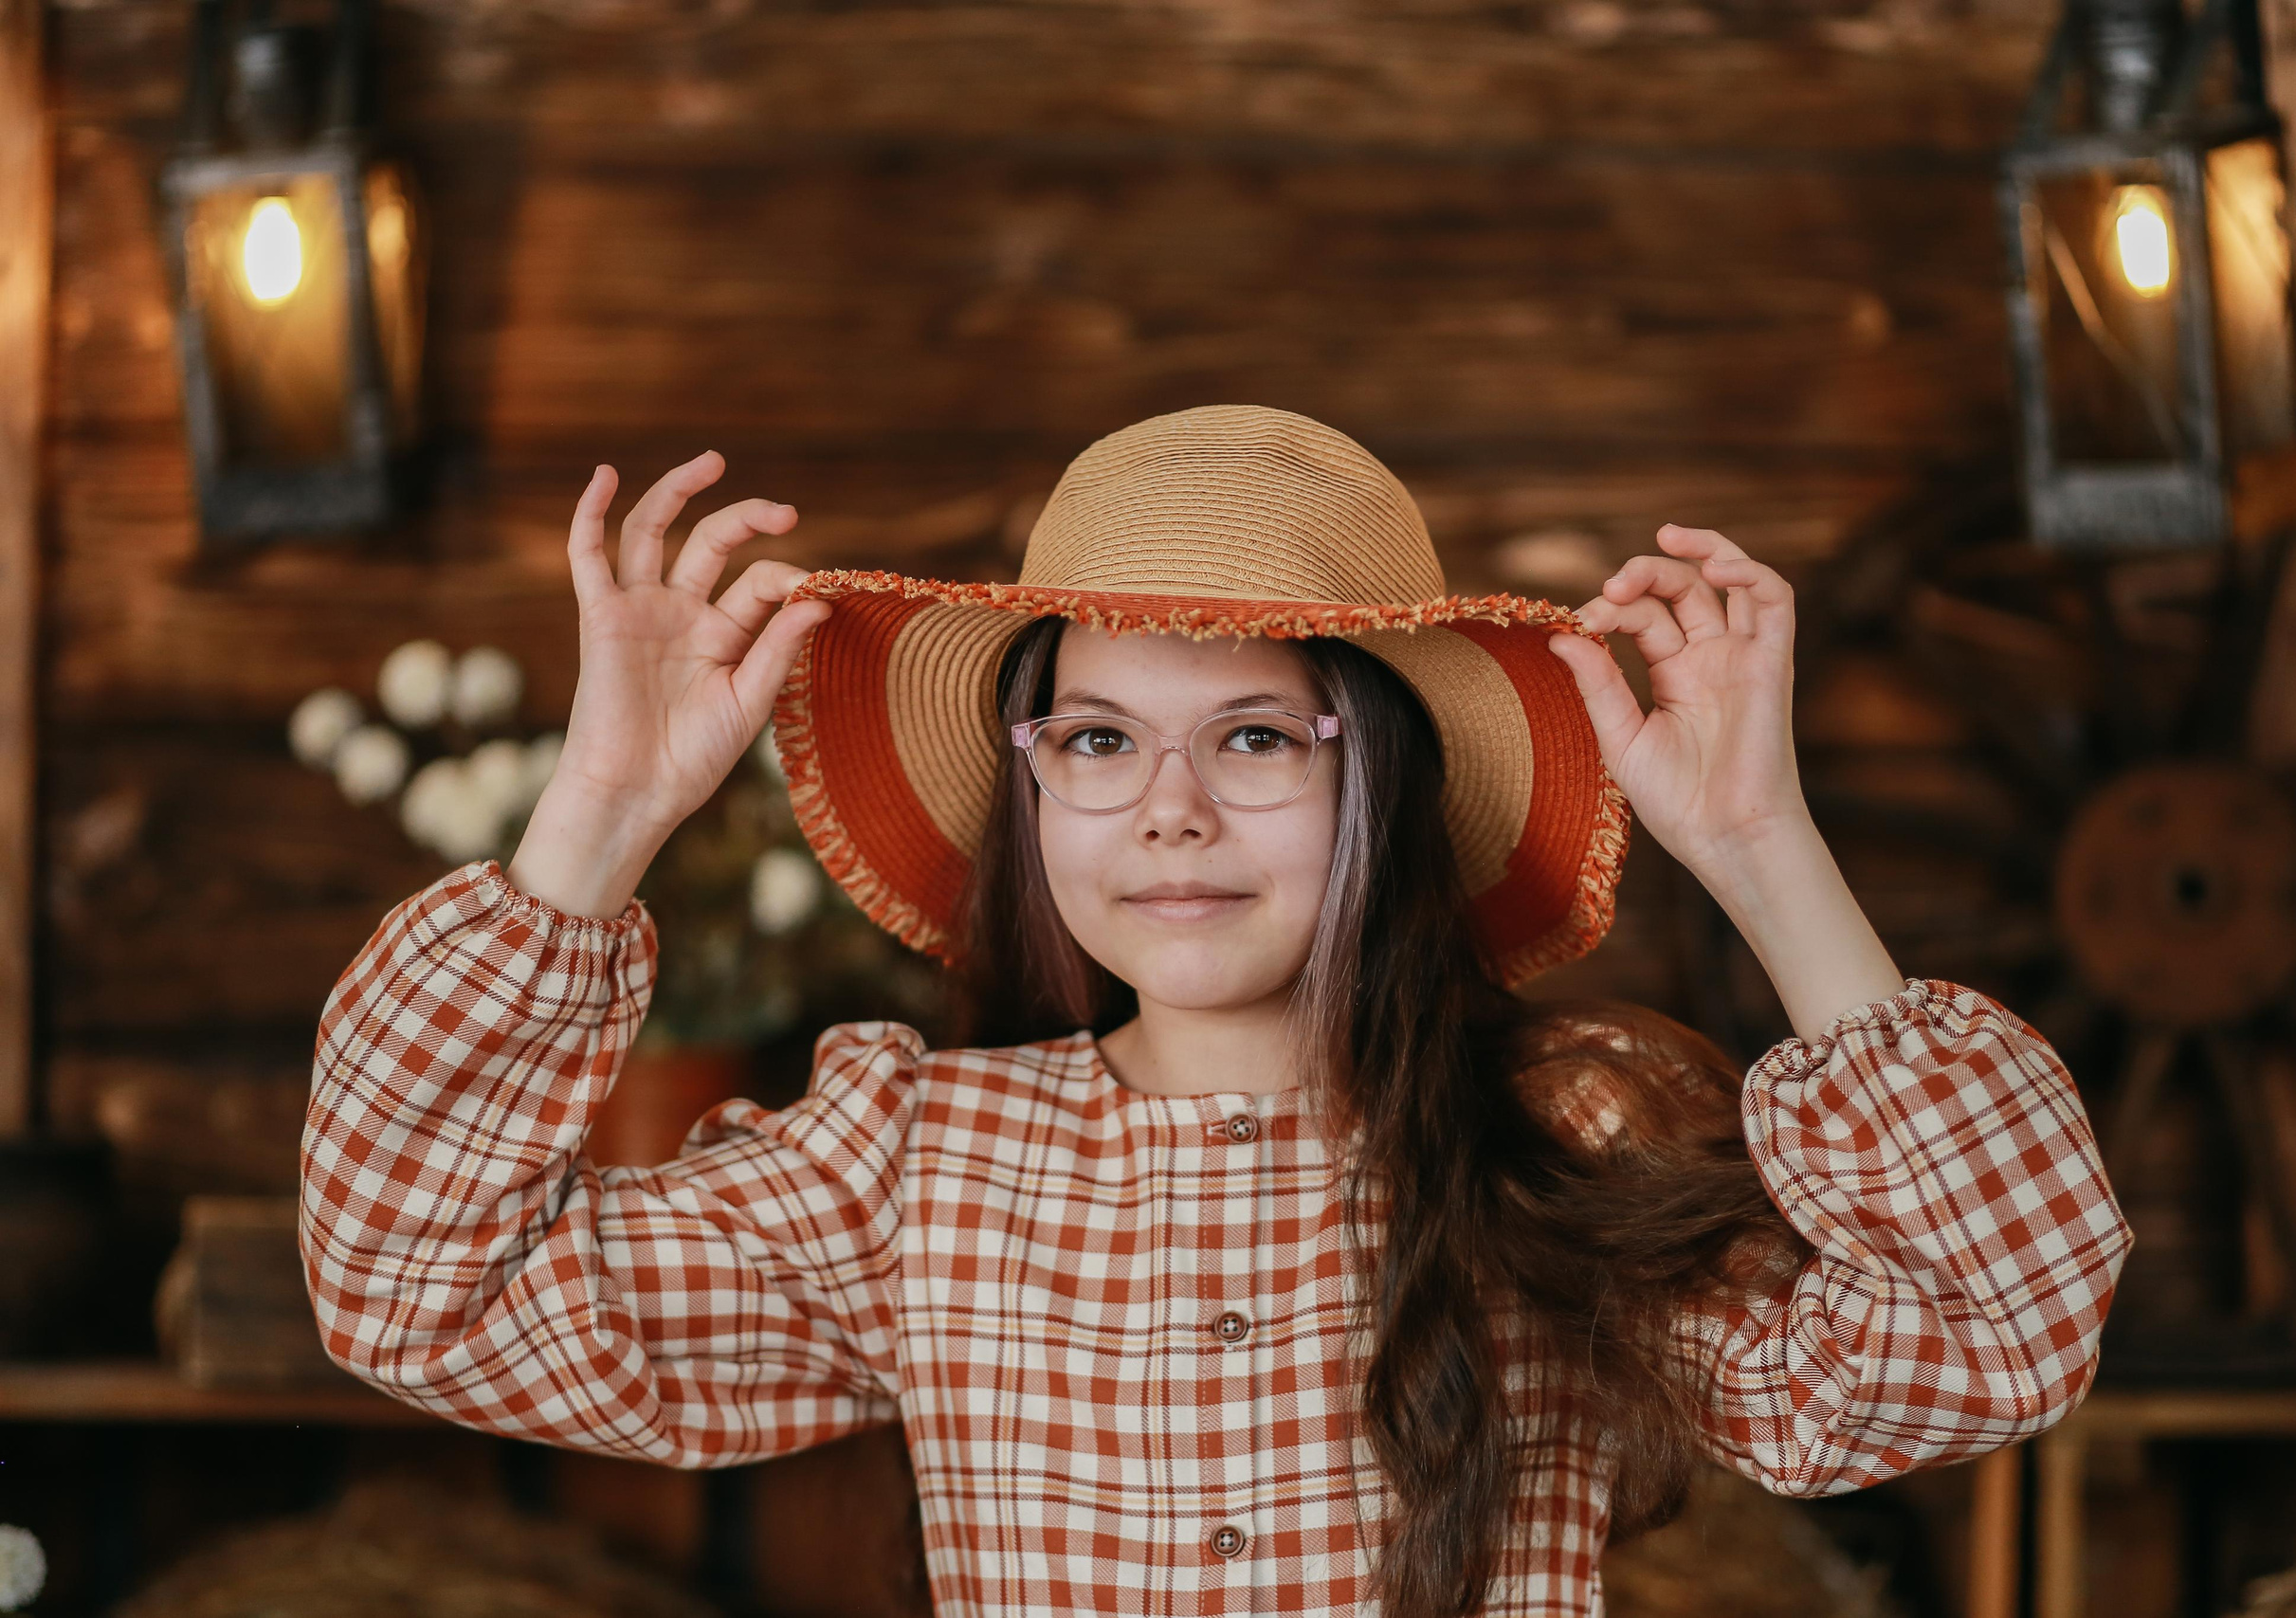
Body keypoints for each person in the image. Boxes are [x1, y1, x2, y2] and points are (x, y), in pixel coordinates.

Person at [302, 405, 2131, 1618]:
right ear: (1034, 789)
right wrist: (601, 814)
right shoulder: (916, 1163)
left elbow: (1997, 1334)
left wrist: (1760, 846)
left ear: (1386, 782)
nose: (1167, 807)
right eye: (1095, 741)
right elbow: (417, 1292)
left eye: (1256, 736)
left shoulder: (1563, 1135)